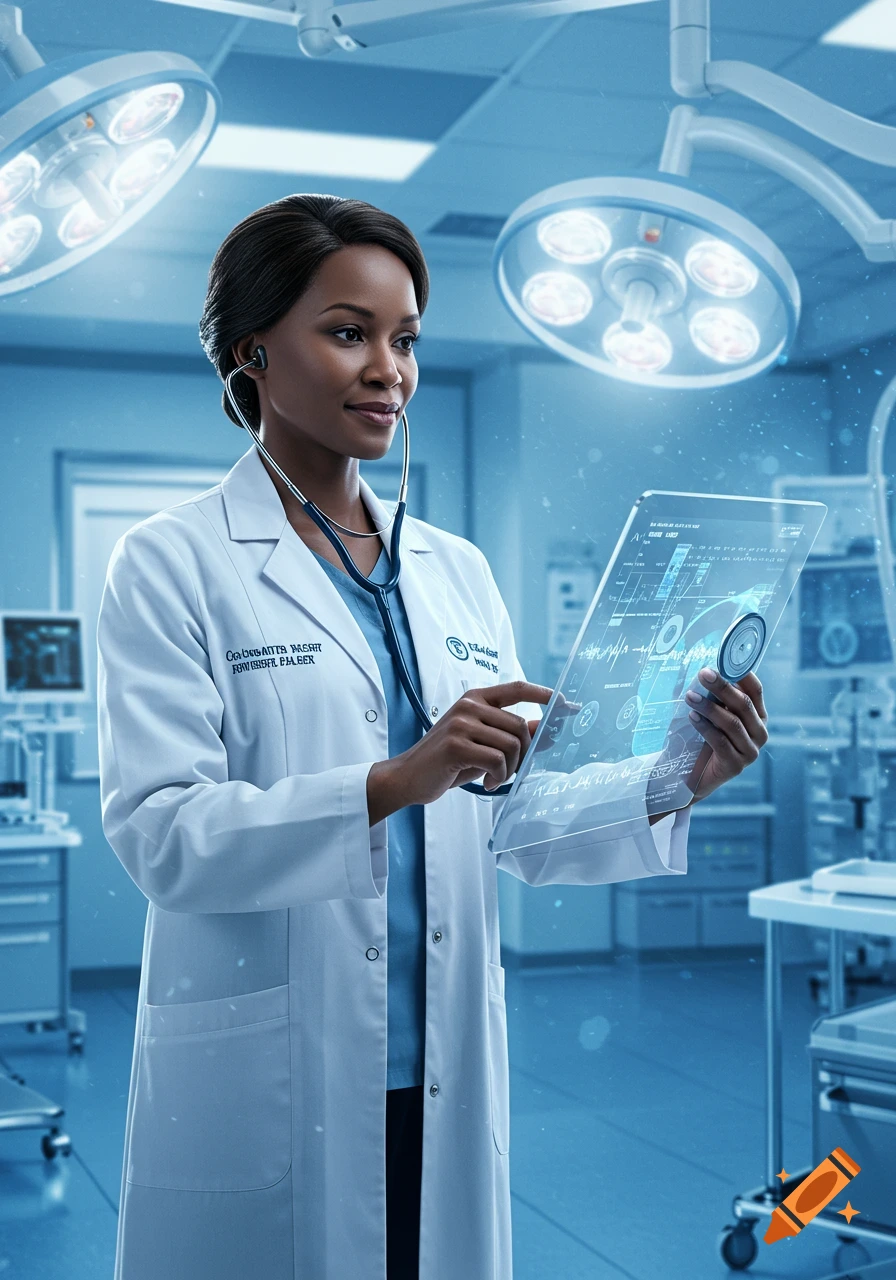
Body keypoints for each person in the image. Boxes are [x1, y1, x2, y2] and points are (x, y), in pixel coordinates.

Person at [96, 194, 769, 1280]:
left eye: (404, 338)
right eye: (347, 330)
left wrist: (669, 777)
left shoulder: (454, 570)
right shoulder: (170, 562)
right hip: (277, 1058)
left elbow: (516, 819)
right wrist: (390, 780)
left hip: (437, 1051)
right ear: (251, 350)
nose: (387, 370)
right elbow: (161, 833)